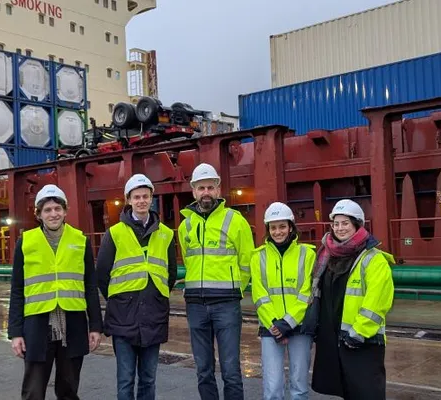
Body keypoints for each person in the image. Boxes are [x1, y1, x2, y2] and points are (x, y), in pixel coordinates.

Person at [7, 184, 104, 400]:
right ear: (39, 214)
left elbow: (90, 285)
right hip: (37, 327)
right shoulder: (26, 242)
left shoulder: (80, 241)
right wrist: (15, 332)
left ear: (65, 211)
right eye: (48, 210)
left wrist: (96, 326)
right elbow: (17, 290)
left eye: (57, 209)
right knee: (33, 392)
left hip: (73, 325)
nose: (53, 214)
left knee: (68, 391)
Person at [96, 174, 178, 400]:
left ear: (152, 199)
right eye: (137, 197)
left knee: (148, 380)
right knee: (125, 380)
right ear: (128, 200)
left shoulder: (166, 235)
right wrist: (121, 300)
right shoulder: (114, 234)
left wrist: (156, 296)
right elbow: (102, 275)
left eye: (145, 196)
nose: (142, 200)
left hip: (153, 316)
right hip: (123, 318)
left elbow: (170, 274)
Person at [177, 163, 255, 400]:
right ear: (193, 191)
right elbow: (189, 262)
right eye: (201, 188)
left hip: (226, 305)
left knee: (231, 370)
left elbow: (247, 261)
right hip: (195, 305)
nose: (206, 192)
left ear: (219, 190)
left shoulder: (235, 221)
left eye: (210, 187)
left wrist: (235, 290)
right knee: (203, 370)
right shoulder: (185, 225)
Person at [305, 199, 395, 400]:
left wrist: (359, 332)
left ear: (357, 224)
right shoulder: (327, 255)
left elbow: (377, 302)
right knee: (347, 391)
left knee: (366, 392)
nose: (340, 228)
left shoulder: (373, 259)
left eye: (345, 223)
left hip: (363, 339)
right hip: (336, 338)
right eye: (336, 224)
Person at [251, 202, 316, 400]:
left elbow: (307, 293)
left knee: (299, 385)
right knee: (272, 387)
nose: (278, 231)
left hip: (299, 327)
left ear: (291, 227)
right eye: (273, 227)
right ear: (268, 230)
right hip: (271, 328)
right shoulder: (258, 257)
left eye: (282, 226)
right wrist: (275, 325)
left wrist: (287, 323)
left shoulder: (307, 254)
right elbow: (259, 295)